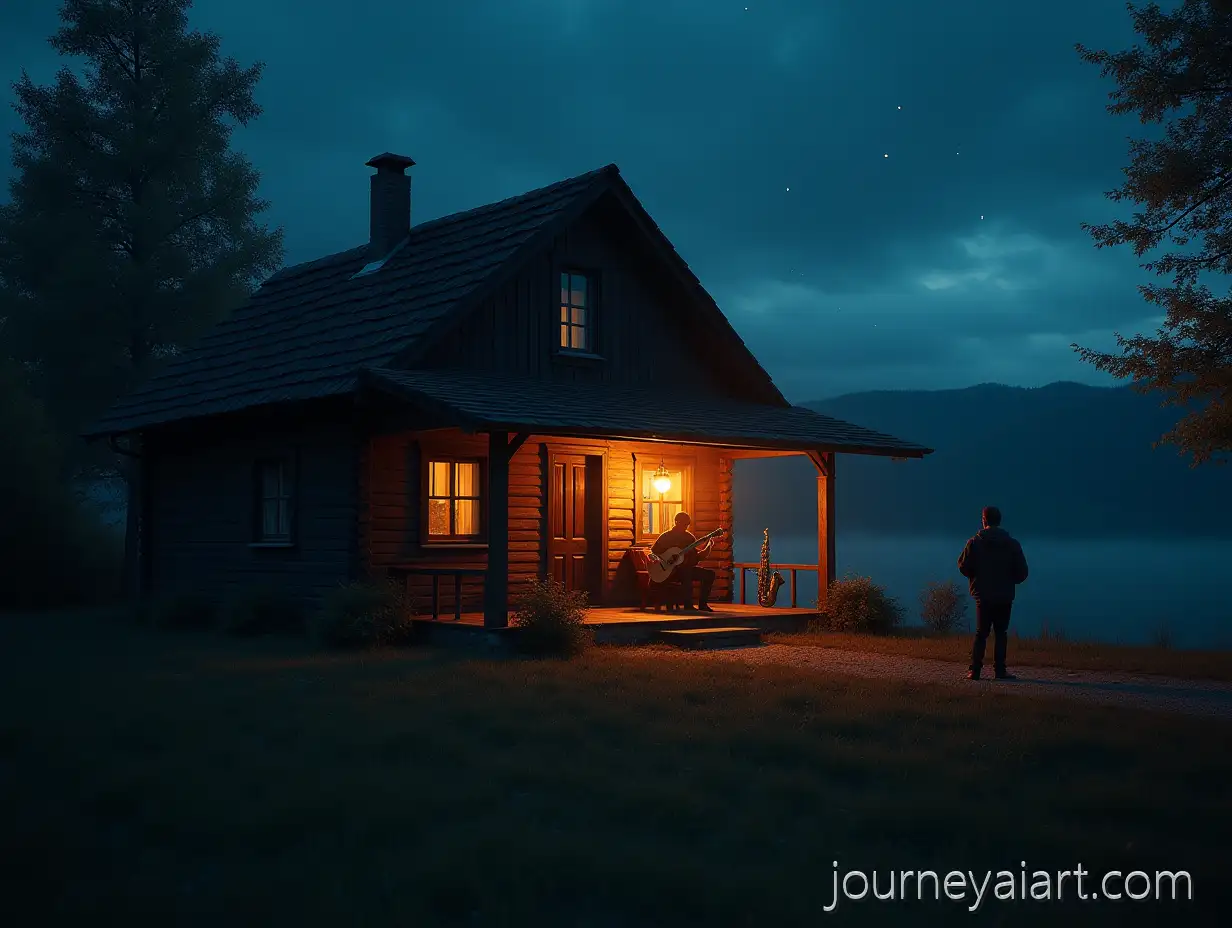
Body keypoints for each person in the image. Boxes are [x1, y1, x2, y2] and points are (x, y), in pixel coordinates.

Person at [957, 505, 1029, 680]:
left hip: (983, 595)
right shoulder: (1012, 544)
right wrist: (1010, 580)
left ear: (984, 520)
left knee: (981, 633)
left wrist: (976, 576)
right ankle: (1000, 670)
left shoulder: (974, 543)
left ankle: (975, 671)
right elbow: (1022, 572)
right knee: (1001, 633)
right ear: (1000, 521)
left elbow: (963, 566)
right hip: (1004, 595)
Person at [652, 512, 715, 612]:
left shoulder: (689, 538)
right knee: (686, 573)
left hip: (686, 568)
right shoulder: (666, 537)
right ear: (676, 522)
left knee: (709, 574)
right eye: (683, 524)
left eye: (687, 524)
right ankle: (688, 605)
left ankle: (702, 604)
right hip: (670, 572)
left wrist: (708, 547)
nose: (685, 526)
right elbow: (654, 552)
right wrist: (664, 559)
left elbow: (697, 557)